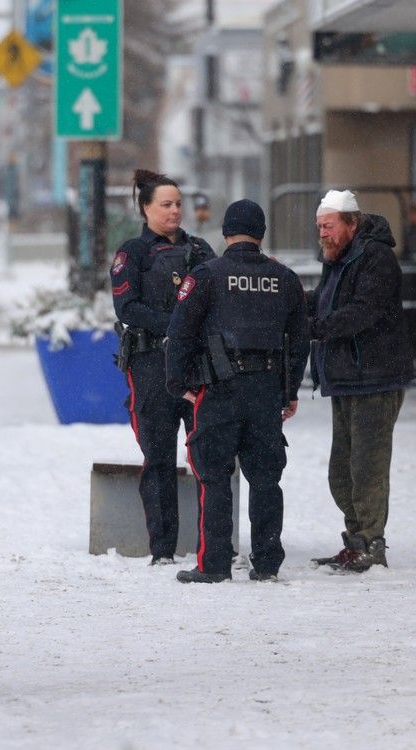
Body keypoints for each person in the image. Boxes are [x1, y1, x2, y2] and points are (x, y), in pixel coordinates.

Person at [165, 199, 309, 583]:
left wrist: (178, 384)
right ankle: (265, 563)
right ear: (261, 233)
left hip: (220, 388)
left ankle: (213, 564)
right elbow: (299, 341)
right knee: (265, 478)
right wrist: (289, 390)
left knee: (213, 477)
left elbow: (179, 334)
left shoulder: (206, 276)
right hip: (265, 391)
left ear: (226, 232)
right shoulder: (285, 278)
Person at [110, 169, 216, 565]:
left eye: (178, 204)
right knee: (157, 458)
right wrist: (177, 325)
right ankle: (162, 549)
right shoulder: (132, 253)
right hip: (151, 364)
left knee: (206, 454)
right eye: (165, 205)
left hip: (196, 365)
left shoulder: (201, 251)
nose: (174, 212)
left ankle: (214, 544)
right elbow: (127, 308)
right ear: (145, 208)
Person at [307, 189, 415, 572]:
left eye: (329, 226)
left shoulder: (376, 258)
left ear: (351, 223)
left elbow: (362, 311)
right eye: (320, 226)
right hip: (346, 377)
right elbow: (324, 300)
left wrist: (315, 327)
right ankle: (356, 539)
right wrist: (292, 300)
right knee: (342, 471)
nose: (323, 233)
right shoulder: (335, 259)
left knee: (366, 468)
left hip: (375, 377)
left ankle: (371, 542)